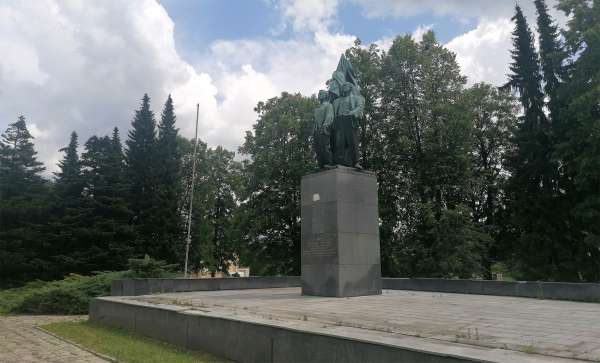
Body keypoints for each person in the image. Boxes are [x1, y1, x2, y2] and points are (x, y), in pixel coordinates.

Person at [331, 82, 364, 168]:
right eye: (342, 86)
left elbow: (360, 107)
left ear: (350, 87)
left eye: (345, 85)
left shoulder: (356, 98)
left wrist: (352, 113)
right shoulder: (336, 101)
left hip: (350, 121)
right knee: (339, 143)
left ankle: (356, 162)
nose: (343, 87)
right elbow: (332, 113)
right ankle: (341, 161)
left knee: (353, 142)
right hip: (339, 122)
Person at [313, 90, 334, 168]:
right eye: (318, 94)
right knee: (318, 148)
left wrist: (325, 124)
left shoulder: (328, 105)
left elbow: (330, 116)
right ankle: (320, 164)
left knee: (325, 146)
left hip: (324, 128)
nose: (319, 95)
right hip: (316, 129)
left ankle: (328, 163)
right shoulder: (318, 107)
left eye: (321, 94)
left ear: (325, 95)